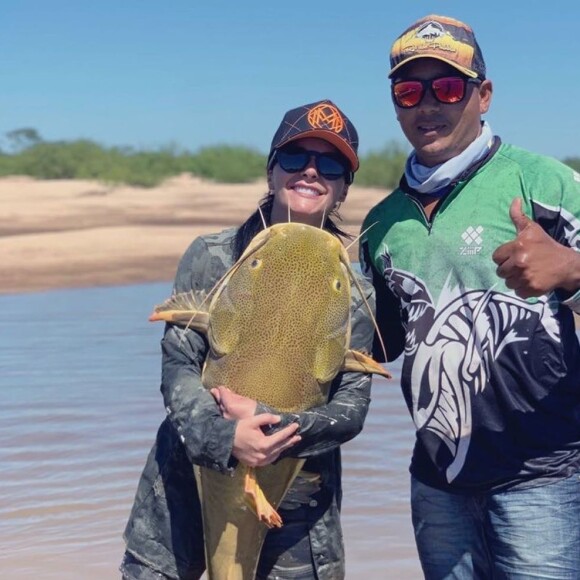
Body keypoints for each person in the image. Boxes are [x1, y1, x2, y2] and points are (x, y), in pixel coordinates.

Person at [360, 14, 580, 579]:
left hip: (545, 476)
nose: (427, 105)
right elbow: (377, 344)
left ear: (483, 95)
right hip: (437, 483)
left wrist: (572, 270)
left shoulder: (545, 183)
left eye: (448, 87)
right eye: (409, 90)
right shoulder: (380, 223)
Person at [121, 99, 377, 580]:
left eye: (331, 164)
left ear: (344, 187)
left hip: (297, 501)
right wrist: (226, 436)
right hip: (186, 475)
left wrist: (269, 424)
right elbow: (178, 366)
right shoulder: (212, 257)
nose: (310, 172)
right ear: (271, 170)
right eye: (295, 157)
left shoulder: (357, 291)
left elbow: (351, 410)